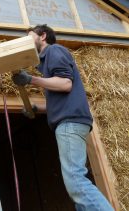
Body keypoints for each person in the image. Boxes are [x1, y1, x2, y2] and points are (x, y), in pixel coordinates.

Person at [12, 24, 113, 211]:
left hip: (69, 122)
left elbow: (65, 84)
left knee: (76, 181)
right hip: (71, 121)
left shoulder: (54, 51)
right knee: (75, 187)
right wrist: (37, 107)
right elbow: (61, 96)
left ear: (42, 36)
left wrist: (30, 80)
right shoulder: (45, 62)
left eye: (29, 36)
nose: (26, 40)